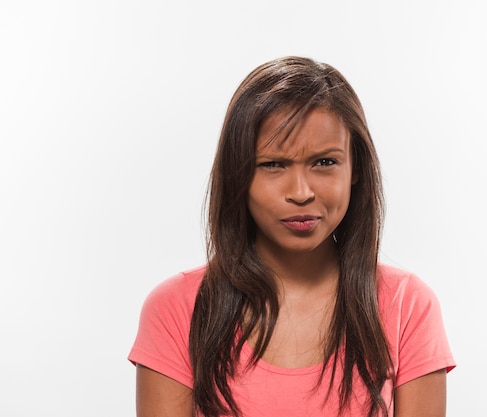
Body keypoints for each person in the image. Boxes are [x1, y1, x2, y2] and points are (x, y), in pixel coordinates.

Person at [128, 56, 455, 417]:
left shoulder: (407, 307)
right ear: (238, 173)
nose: (300, 192)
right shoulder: (177, 310)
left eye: (325, 162)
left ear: (356, 169)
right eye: (273, 165)